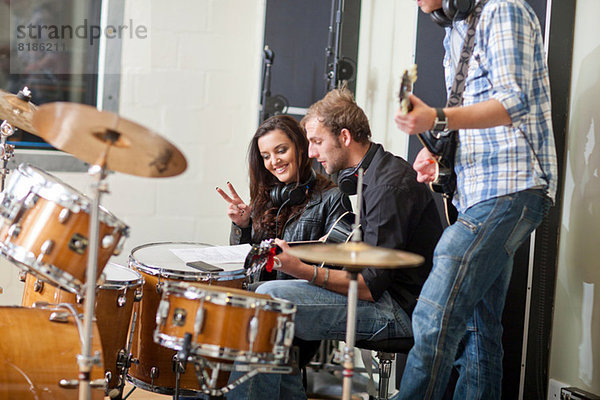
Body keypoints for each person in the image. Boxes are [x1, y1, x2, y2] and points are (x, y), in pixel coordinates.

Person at [226, 88, 443, 400]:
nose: (312, 153)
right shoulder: (374, 176)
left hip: (398, 313)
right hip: (383, 300)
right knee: (265, 300)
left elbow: (368, 287)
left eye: (315, 142)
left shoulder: (387, 186)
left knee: (269, 300)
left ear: (343, 137)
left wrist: (300, 268)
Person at [392, 0, 558, 399]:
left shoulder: (504, 10)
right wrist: (439, 154)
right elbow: (476, 116)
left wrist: (438, 118)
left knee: (433, 314)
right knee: (480, 332)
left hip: (511, 187)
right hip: (478, 192)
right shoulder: (455, 30)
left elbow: (512, 102)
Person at [217, 114, 351, 281]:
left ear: (301, 147)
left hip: (295, 299)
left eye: (281, 150)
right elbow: (245, 266)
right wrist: (242, 226)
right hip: (258, 294)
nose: (274, 161)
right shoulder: (266, 196)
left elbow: (335, 270)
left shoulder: (332, 199)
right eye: (266, 156)